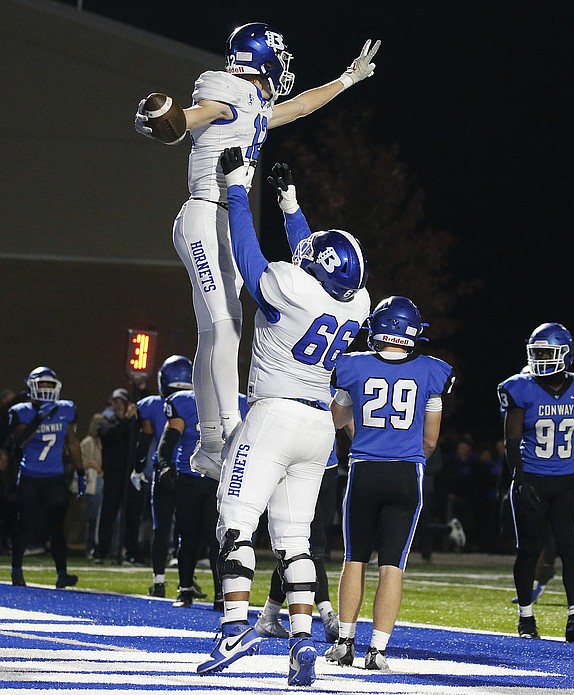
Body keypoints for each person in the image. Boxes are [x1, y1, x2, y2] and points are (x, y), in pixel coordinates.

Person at [134, 23, 380, 479]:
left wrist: (347, 80)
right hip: (207, 212)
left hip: (221, 217)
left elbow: (301, 106)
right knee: (225, 328)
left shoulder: (256, 104)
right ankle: (228, 431)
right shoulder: (228, 92)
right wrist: (169, 119)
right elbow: (193, 116)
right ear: (262, 57)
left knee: (219, 330)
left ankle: (209, 443)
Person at [196, 146, 370, 687]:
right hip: (319, 427)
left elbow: (250, 258)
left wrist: (237, 192)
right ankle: (300, 640)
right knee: (295, 539)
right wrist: (292, 207)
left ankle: (230, 629)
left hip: (272, 416)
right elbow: (313, 259)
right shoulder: (356, 302)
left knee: (235, 525)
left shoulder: (292, 289)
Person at [325, 296, 454, 670]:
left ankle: (344, 643)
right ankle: (377, 651)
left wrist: (363, 437)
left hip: (364, 469)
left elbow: (337, 421)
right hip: (405, 473)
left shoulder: (351, 366)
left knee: (354, 559)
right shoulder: (433, 370)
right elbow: (430, 440)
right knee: (393, 565)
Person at [497, 323, 574, 642]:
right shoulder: (520, 387)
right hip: (533, 479)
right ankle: (526, 618)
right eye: (536, 352)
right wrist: (520, 479)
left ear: (566, 354)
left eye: (546, 352)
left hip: (568, 481)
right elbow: (511, 442)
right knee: (529, 550)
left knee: (572, 548)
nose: (540, 359)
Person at [156, 381, 247, 610]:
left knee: (218, 539)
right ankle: (185, 589)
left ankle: (220, 594)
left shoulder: (241, 402)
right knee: (188, 537)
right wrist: (165, 463)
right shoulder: (185, 402)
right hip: (190, 477)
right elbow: (168, 439)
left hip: (220, 479)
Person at [7, 367, 85, 588]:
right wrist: (39, 419)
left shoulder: (66, 409)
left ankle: (62, 574)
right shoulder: (21, 411)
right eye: (42, 384)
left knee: (57, 526)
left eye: (50, 385)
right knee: (25, 524)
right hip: (31, 475)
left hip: (54, 477)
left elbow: (72, 442)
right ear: (32, 387)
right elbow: (19, 441)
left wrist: (80, 472)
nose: (46, 389)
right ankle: (16, 570)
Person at [256, 446, 341, 642]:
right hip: (298, 463)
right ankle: (327, 616)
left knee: (297, 547)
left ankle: (269, 615)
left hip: (327, 465)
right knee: (308, 546)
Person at [130, 355, 193, 598]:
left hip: (163, 471)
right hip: (190, 472)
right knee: (189, 531)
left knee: (162, 528)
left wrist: (137, 468)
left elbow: (144, 441)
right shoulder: (197, 401)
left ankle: (159, 582)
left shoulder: (150, 405)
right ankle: (186, 582)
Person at [94, 389, 139, 564]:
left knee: (132, 515)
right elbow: (110, 434)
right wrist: (126, 421)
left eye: (122, 402)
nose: (119, 406)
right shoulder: (106, 420)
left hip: (129, 473)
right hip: (113, 473)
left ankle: (132, 551)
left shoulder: (134, 422)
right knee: (108, 513)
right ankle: (102, 551)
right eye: (116, 402)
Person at [80, 413, 105, 558]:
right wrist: (93, 465)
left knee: (100, 517)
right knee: (93, 516)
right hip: (93, 482)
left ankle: (100, 546)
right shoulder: (87, 442)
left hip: (103, 481)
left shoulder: (104, 442)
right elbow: (81, 462)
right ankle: (90, 547)